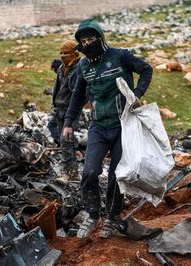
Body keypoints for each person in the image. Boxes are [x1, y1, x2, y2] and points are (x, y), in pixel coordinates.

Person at [62, 19, 153, 239]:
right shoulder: (83, 66)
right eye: (83, 41)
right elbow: (77, 96)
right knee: (90, 172)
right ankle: (93, 215)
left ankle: (112, 219)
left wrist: (137, 95)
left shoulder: (120, 56)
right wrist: (67, 123)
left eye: (91, 39)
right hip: (99, 127)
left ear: (100, 38)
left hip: (124, 126)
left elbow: (146, 69)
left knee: (115, 174)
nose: (87, 43)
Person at [52, 40, 81, 185]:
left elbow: (80, 94)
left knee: (66, 141)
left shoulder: (79, 70)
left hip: (71, 111)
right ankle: (74, 173)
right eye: (61, 53)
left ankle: (66, 173)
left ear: (74, 53)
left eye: (66, 53)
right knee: (67, 142)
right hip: (59, 110)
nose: (63, 56)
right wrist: (54, 105)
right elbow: (57, 88)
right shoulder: (61, 69)